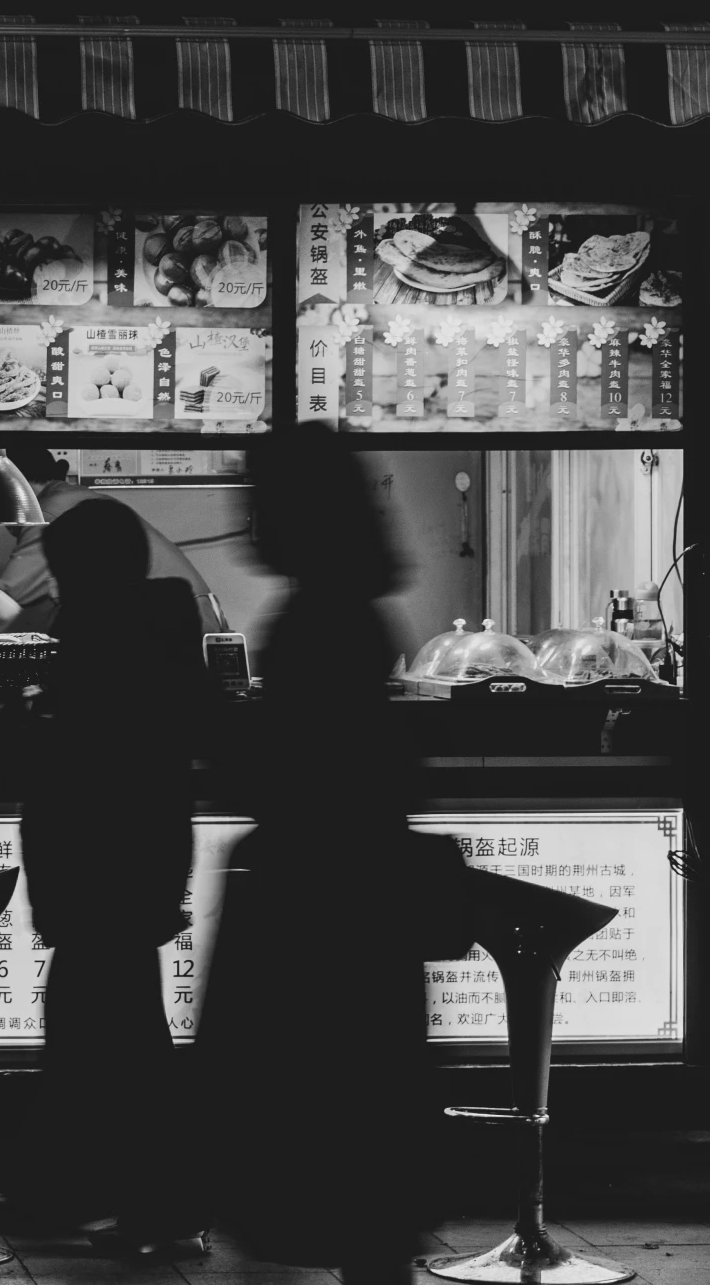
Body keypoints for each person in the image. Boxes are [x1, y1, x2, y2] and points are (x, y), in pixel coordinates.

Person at [193, 424, 465, 1285]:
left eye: (258, 499)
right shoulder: (355, 603)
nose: (245, 516)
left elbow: (291, 767)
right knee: (364, 1165)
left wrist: (202, 724)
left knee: (314, 1140)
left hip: (313, 909)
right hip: (361, 904)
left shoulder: (316, 616)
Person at [3, 496, 210, 1254]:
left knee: (110, 1029)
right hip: (144, 857)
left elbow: (74, 755)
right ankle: (71, 1190)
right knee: (109, 1023)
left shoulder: (101, 631)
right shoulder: (162, 620)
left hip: (96, 862)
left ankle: (154, 1204)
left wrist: (19, 727)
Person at [0, 442, 227, 636]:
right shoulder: (68, 498)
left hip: (178, 628)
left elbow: (1, 604)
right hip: (179, 622)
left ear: (14, 485)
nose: (1, 522)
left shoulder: (50, 512)